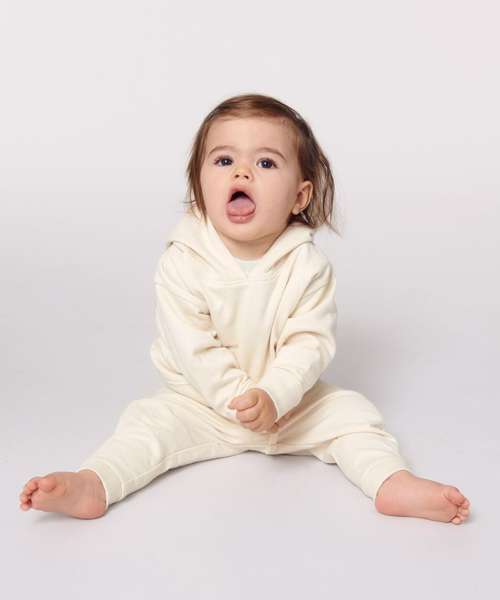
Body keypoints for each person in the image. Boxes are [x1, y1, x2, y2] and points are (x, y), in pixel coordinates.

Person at [18, 93, 470, 524]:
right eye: (223, 161)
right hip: (200, 405)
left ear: (300, 197)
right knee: (146, 426)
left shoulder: (307, 265)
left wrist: (275, 395)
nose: (242, 172)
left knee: (353, 415)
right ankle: (94, 483)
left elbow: (309, 343)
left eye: (266, 163)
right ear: (199, 183)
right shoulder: (182, 260)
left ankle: (391, 482)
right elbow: (194, 349)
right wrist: (242, 403)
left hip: (289, 405)